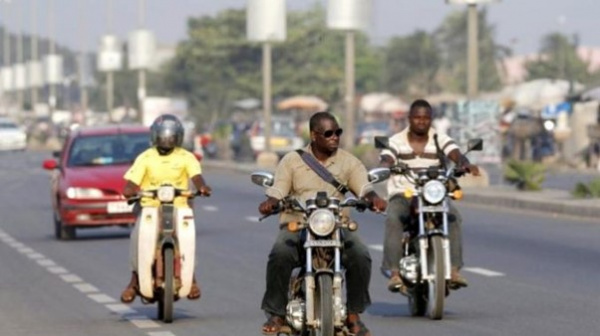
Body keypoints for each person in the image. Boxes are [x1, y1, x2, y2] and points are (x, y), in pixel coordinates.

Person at [258, 111, 387, 336]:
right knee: (279, 254)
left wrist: (372, 198)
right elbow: (279, 188)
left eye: (338, 132)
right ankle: (277, 314)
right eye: (328, 133)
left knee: (360, 255)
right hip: (298, 222)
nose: (334, 137)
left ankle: (353, 314)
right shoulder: (292, 160)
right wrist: (271, 201)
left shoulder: (348, 161)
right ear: (314, 135)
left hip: (337, 224)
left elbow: (364, 187)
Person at [379, 99, 480, 294]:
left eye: (425, 118)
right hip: (404, 193)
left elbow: (455, 153)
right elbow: (387, 156)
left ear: (431, 120)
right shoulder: (396, 141)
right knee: (393, 217)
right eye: (417, 117)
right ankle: (394, 273)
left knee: (453, 217)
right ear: (410, 119)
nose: (421, 122)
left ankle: (453, 270)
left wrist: (464, 163)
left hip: (433, 192)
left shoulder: (439, 138)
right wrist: (386, 165)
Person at [120, 114, 212, 304]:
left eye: (171, 136)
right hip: (149, 207)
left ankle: (191, 278)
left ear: (178, 137)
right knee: (137, 237)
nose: (167, 140)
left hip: (179, 207)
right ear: (155, 136)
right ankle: (134, 280)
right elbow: (132, 182)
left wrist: (202, 187)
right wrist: (129, 190)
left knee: (187, 238)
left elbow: (196, 177)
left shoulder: (187, 157)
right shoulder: (145, 157)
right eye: (163, 136)